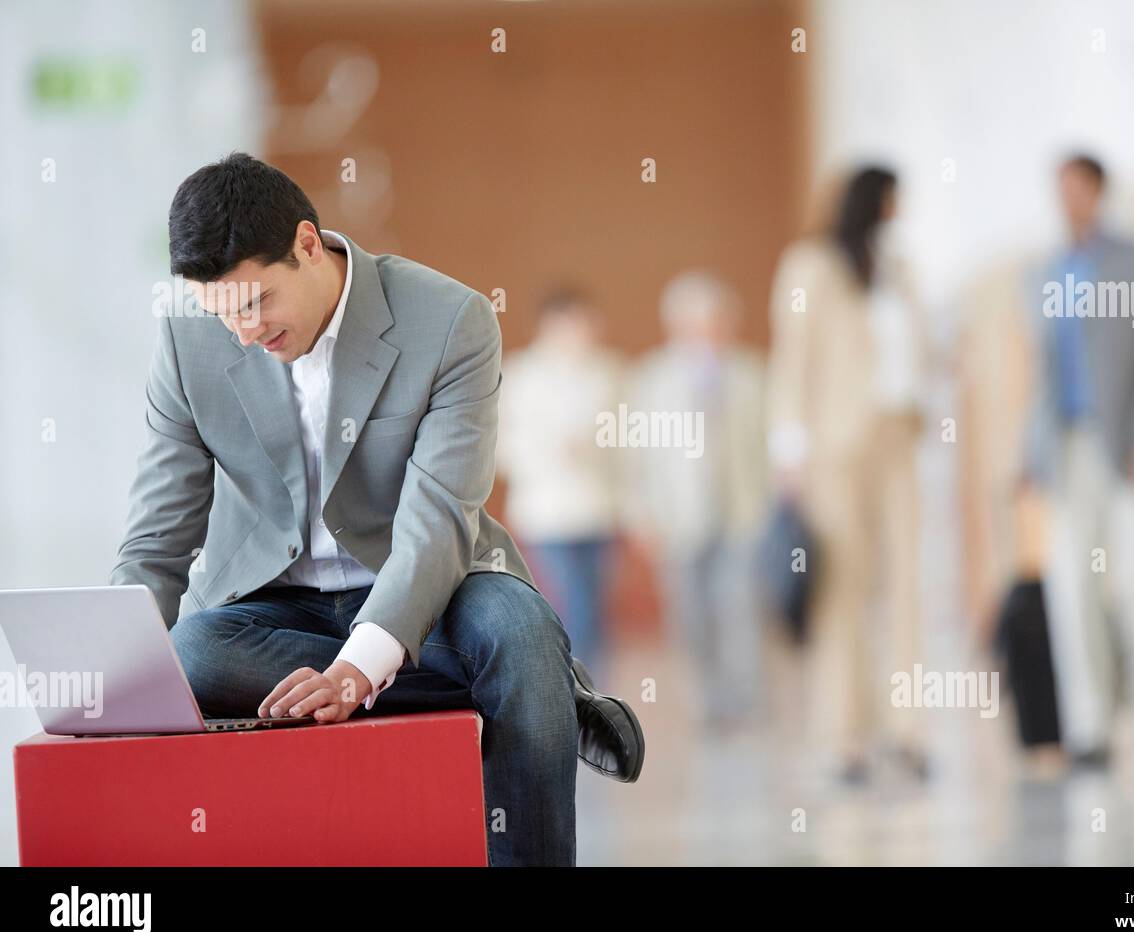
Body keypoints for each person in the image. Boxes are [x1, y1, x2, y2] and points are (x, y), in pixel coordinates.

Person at [109, 152, 643, 866]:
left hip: (436, 584)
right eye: (221, 314)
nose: (242, 333)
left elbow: (438, 517)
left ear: (307, 243)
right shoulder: (186, 344)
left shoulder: (451, 321)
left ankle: (517, 688)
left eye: (256, 303)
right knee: (193, 654)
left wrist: (359, 669)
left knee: (514, 628)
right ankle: (540, 689)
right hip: (275, 603)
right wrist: (112, 665)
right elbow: (159, 530)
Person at [1021, 153, 1134, 767]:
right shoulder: (1042, 272)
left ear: (1098, 191)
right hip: (1067, 447)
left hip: (1128, 445)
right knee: (1072, 589)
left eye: (1076, 188)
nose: (1066, 200)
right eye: (1057, 189)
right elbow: (1038, 374)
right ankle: (1088, 724)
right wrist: (1028, 452)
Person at [767, 166, 931, 784]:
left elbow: (916, 350)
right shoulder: (810, 265)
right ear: (872, 201)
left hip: (900, 437)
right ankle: (847, 738)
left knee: (909, 585)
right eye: (894, 200)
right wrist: (788, 448)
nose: (900, 212)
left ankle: (909, 733)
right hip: (836, 445)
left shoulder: (900, 269)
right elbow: (793, 357)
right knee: (843, 589)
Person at [624, 271, 768, 729]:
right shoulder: (651, 380)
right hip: (679, 518)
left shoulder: (750, 374)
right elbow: (636, 457)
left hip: (741, 514)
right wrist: (641, 516)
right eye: (698, 322)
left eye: (716, 320)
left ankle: (744, 701)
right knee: (691, 614)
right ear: (678, 326)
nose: (709, 331)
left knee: (740, 607)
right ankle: (706, 702)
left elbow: (769, 446)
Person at [497, 288, 623, 685]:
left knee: (598, 607)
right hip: (547, 513)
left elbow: (628, 442)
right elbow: (502, 445)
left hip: (601, 510)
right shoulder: (520, 374)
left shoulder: (610, 372)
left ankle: (595, 688)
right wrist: (552, 452)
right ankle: (575, 687)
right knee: (570, 604)